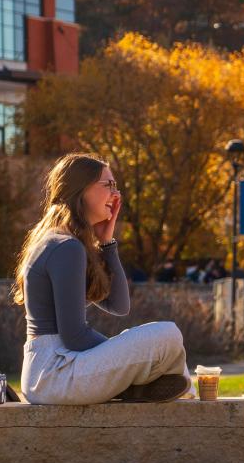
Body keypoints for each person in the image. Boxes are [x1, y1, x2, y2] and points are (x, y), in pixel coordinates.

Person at [13, 153, 193, 405]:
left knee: (163, 343)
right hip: (55, 373)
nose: (115, 195)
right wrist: (122, 357)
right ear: (80, 189)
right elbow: (74, 336)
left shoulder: (66, 243)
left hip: (50, 372)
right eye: (107, 185)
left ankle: (134, 389)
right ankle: (136, 386)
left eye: (115, 186)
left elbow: (119, 305)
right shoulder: (65, 247)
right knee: (168, 335)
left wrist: (107, 242)